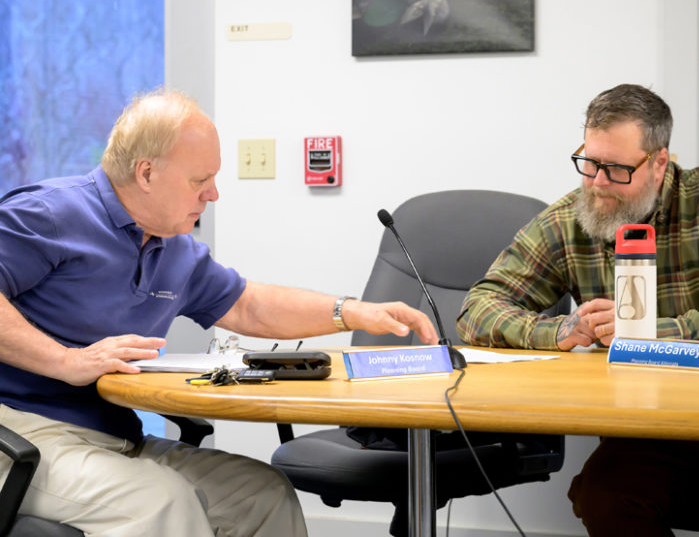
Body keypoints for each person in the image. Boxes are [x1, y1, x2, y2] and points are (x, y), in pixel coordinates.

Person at [0, 89, 438, 537]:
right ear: (147, 173)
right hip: (20, 432)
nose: (214, 193)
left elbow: (250, 305)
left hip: (116, 436)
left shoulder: (174, 250)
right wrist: (66, 361)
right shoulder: (49, 214)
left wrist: (352, 312)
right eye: (200, 179)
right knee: (159, 504)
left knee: (261, 494)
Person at [457, 84, 699, 536]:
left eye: (617, 169)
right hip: (644, 435)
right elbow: (477, 309)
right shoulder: (572, 216)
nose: (598, 183)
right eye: (589, 163)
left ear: (660, 161)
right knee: (603, 497)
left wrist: (644, 331)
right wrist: (560, 330)